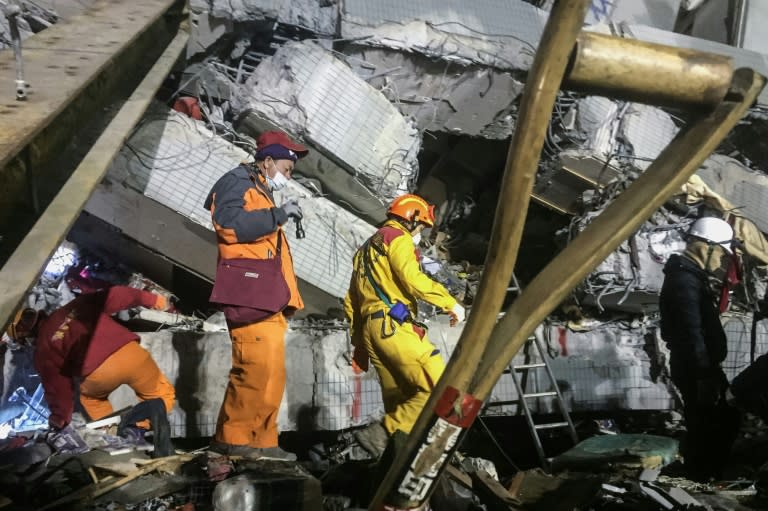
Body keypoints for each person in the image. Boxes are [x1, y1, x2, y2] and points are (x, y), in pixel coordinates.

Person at [204, 130, 306, 460]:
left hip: (267, 298)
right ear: (266, 161)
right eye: (286, 168)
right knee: (253, 370)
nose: (288, 177)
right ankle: (231, 438)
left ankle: (262, 442)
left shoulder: (259, 188)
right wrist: (278, 215)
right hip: (250, 294)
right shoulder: (237, 182)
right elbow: (229, 225)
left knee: (272, 375)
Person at [345, 194, 466, 458]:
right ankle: (385, 433)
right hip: (394, 327)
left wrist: (360, 346)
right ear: (411, 219)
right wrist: (449, 303)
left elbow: (351, 299)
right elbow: (412, 278)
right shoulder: (397, 239)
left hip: (373, 332)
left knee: (401, 399)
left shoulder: (367, 248)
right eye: (421, 226)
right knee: (438, 389)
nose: (421, 233)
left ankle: (394, 454)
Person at [7, 285, 176, 453]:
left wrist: (59, 420)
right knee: (161, 394)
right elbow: (117, 294)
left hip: (96, 373)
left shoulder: (42, 351)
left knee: (92, 400)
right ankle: (140, 426)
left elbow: (58, 389)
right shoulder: (73, 307)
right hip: (130, 354)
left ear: (26, 335)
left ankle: (122, 433)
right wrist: (156, 301)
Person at [659, 216, 741, 481]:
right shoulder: (684, 279)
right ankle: (703, 475)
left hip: (698, 365)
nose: (721, 261)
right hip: (697, 367)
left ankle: (703, 472)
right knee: (715, 420)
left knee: (709, 420)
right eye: (720, 253)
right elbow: (691, 331)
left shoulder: (689, 275)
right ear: (704, 246)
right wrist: (705, 374)